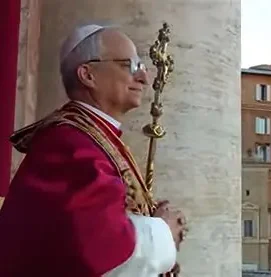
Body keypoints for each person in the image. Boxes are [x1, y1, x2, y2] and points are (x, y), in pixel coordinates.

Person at [0, 24, 187, 277]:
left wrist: (150, 219)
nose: (143, 77)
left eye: (140, 66)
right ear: (88, 75)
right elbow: (100, 252)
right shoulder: (69, 144)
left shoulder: (93, 136)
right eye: (129, 65)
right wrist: (163, 231)